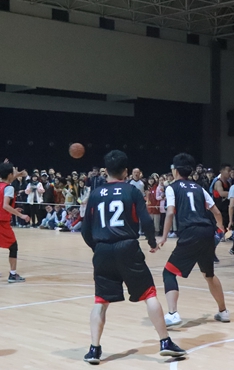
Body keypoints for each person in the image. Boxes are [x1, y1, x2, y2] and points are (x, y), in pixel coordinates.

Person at [81, 150, 185, 364]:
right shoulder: (132, 190)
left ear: (106, 171)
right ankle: (165, 342)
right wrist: (152, 243)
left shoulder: (96, 194)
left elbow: (85, 229)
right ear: (126, 171)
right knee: (149, 294)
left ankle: (94, 350)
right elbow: (146, 221)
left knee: (100, 301)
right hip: (127, 246)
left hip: (102, 249)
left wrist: (97, 248)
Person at [159, 153, 230, 327]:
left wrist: (164, 236)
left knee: (168, 273)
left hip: (191, 232)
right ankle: (223, 312)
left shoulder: (172, 188)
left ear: (175, 170)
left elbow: (170, 212)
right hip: (207, 231)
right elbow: (216, 212)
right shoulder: (199, 188)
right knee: (208, 274)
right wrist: (220, 229)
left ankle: (173, 313)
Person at [0, 163, 30, 283]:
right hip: (0, 222)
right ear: (10, 174)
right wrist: (21, 215)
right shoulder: (9, 188)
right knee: (13, 246)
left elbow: (0, 203)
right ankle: (12, 274)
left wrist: (18, 174)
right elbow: (5, 205)